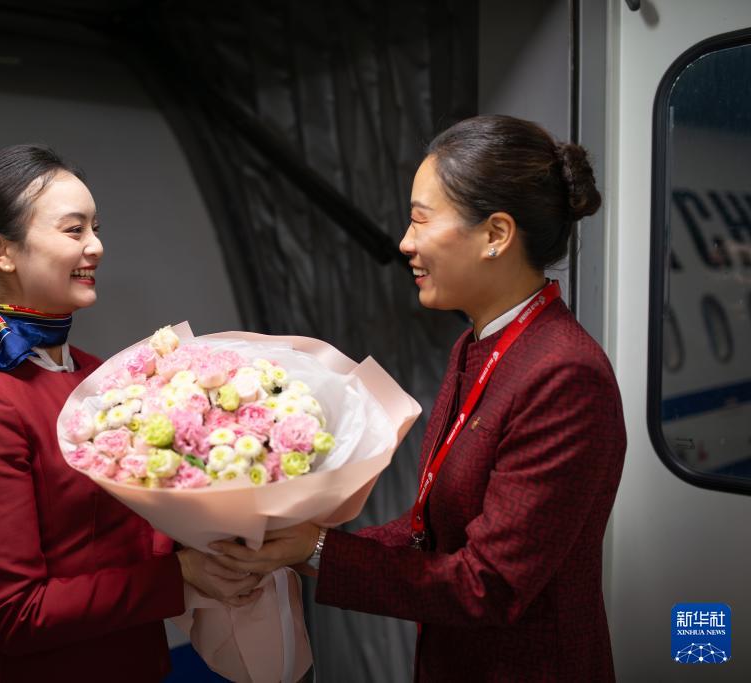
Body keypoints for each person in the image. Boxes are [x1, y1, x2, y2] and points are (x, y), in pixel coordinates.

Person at [211, 115, 627, 682]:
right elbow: (433, 531)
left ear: (496, 235)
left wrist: (316, 550)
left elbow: (490, 584)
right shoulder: (478, 344)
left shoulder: (564, 375)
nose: (406, 242)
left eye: (420, 219)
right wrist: (296, 546)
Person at [0, 144, 260, 683]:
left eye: (95, 229)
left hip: (138, 661)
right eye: (74, 230)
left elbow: (124, 530)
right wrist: (178, 575)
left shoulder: (100, 374)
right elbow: (13, 614)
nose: (96, 246)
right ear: (1, 251)